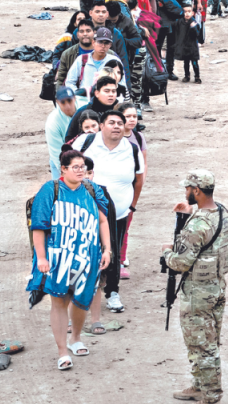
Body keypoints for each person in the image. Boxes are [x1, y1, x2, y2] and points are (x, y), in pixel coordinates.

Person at [163, 170, 228, 404]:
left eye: (188, 188)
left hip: (197, 293)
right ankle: (199, 385)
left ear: (196, 190)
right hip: (216, 286)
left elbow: (179, 263)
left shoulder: (197, 225)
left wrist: (166, 253)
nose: (186, 192)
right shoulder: (221, 211)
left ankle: (210, 399)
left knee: (202, 344)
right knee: (207, 340)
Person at [28, 149, 112, 370]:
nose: (81, 170)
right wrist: (41, 258)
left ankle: (76, 338)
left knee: (81, 300)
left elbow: (103, 221)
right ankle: (62, 351)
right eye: (75, 167)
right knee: (59, 300)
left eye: (83, 166)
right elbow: (38, 226)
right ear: (63, 169)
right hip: (58, 256)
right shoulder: (50, 190)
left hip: (88, 255)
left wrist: (107, 249)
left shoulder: (91, 189)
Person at [71, 110, 144, 314]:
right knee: (83, 252)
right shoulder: (85, 143)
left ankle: (112, 292)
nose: (117, 126)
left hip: (119, 213)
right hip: (85, 213)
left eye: (120, 123)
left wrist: (131, 206)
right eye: (111, 122)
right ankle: (80, 294)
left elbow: (139, 180)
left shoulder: (131, 148)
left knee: (112, 251)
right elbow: (67, 168)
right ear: (101, 125)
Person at [117, 102, 146, 279]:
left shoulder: (139, 137)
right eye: (128, 116)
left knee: (125, 226)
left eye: (134, 116)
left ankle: (120, 258)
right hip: (117, 188)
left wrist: (140, 183)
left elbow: (144, 162)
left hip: (131, 188)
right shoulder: (113, 138)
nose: (132, 120)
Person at [64, 27, 123, 106]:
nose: (103, 46)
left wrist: (116, 102)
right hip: (84, 103)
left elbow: (122, 84)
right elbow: (70, 81)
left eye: (106, 43)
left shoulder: (115, 61)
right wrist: (77, 96)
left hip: (108, 104)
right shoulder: (82, 60)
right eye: (100, 42)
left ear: (110, 45)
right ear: (93, 42)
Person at [45, 86, 79, 178]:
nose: (67, 105)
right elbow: (56, 153)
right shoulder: (52, 123)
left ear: (74, 98)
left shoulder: (84, 108)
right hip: (62, 157)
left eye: (69, 100)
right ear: (57, 102)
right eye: (63, 102)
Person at [175, 5, 202, 84]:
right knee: (186, 63)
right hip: (184, 46)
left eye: (189, 12)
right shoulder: (180, 22)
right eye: (185, 12)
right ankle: (187, 76)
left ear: (193, 13)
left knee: (194, 63)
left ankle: (197, 77)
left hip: (192, 47)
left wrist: (193, 28)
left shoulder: (194, 23)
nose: (187, 14)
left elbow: (198, 35)